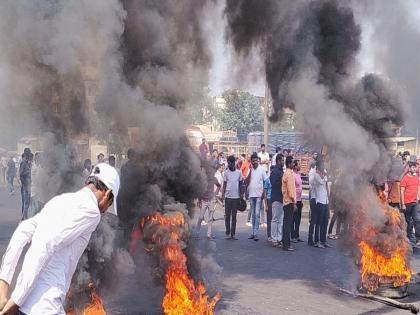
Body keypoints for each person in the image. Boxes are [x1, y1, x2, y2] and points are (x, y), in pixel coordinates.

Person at [0, 163, 119, 315]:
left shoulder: (60, 201)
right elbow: (46, 244)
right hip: (45, 308)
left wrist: (3, 284)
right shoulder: (92, 212)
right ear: (107, 193)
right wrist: (16, 301)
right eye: (109, 204)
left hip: (28, 306)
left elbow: (23, 231)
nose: (106, 209)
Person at [196, 166, 221, 240]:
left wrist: (215, 193)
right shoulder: (203, 179)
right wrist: (199, 200)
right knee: (201, 217)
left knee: (210, 219)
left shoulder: (213, 179)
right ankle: (197, 233)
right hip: (204, 200)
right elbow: (199, 190)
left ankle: (209, 235)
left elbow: (219, 185)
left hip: (211, 200)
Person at [247, 153, 268, 241]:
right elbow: (247, 181)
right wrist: (250, 171)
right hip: (251, 194)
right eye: (253, 161)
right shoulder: (251, 169)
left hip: (259, 195)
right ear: (251, 161)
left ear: (258, 161)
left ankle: (256, 233)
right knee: (253, 214)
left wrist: (264, 192)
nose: (254, 162)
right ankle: (253, 232)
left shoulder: (262, 169)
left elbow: (266, 181)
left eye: (256, 160)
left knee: (257, 214)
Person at [222, 155, 243, 240]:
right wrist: (223, 194)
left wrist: (241, 195)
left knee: (234, 217)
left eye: (229, 163)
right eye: (228, 163)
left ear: (233, 163)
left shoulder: (239, 172)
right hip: (228, 197)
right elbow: (225, 184)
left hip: (236, 197)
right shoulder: (226, 172)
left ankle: (233, 234)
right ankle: (227, 233)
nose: (228, 164)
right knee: (227, 216)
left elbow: (241, 184)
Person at [313, 160, 331, 249]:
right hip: (319, 201)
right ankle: (317, 241)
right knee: (318, 223)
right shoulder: (316, 175)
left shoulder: (324, 175)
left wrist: (328, 201)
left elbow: (326, 186)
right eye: (323, 166)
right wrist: (324, 175)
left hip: (325, 201)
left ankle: (323, 240)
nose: (324, 167)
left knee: (325, 222)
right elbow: (321, 182)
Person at [400, 161, 420, 244]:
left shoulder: (416, 178)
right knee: (407, 221)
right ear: (410, 168)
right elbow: (401, 191)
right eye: (413, 167)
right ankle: (406, 238)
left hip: (415, 203)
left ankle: (418, 239)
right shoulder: (405, 178)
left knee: (417, 220)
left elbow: (418, 189)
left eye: (416, 167)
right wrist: (403, 204)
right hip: (407, 203)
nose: (415, 169)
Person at [282, 156, 296, 251]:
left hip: (285, 201)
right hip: (289, 202)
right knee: (288, 224)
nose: (294, 164)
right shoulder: (289, 174)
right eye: (292, 163)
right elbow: (291, 190)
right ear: (289, 164)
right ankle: (286, 245)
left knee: (286, 224)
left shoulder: (285, 173)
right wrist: (294, 203)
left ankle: (285, 244)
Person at [270, 154, 284, 247]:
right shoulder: (275, 171)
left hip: (282, 198)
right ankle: (274, 238)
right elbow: (273, 183)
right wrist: (282, 180)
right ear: (278, 161)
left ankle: (279, 238)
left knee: (280, 220)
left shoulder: (281, 171)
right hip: (276, 197)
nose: (283, 162)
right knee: (275, 219)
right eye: (282, 160)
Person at [291, 160, 303, 243]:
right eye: (298, 165)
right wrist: (293, 202)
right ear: (295, 166)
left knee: (298, 219)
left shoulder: (298, 174)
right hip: (294, 200)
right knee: (293, 219)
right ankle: (292, 236)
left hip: (299, 199)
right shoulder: (293, 175)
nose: (300, 166)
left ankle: (297, 235)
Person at [19, 150, 32, 221]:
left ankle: (24, 216)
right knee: (26, 202)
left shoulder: (26, 163)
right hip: (25, 185)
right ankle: (23, 218)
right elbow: (21, 174)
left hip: (26, 185)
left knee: (25, 202)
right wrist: (25, 185)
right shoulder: (23, 163)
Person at [307, 162, 317, 246]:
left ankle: (315, 238)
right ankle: (310, 238)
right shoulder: (312, 172)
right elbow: (311, 183)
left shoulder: (317, 172)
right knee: (313, 219)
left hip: (317, 198)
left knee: (316, 219)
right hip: (313, 197)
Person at [264, 166, 273, 241]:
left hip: (275, 200)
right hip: (269, 200)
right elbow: (265, 194)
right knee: (269, 218)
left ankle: (273, 234)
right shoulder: (267, 180)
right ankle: (269, 235)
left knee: (274, 218)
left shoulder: (276, 180)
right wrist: (266, 205)